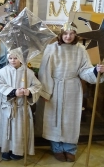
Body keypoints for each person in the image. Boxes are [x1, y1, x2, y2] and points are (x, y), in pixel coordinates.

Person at [37, 22, 104, 162]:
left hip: (73, 87)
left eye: (72, 33)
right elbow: (45, 71)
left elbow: (84, 70)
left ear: (75, 35)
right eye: (65, 33)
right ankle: (57, 148)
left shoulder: (80, 49)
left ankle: (70, 148)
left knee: (70, 119)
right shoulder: (52, 48)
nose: (68, 36)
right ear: (61, 34)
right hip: (55, 86)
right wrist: (46, 92)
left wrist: (95, 71)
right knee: (55, 118)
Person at [0, 49, 42, 161]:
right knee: (6, 129)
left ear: (21, 59)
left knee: (19, 131)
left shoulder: (28, 72)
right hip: (7, 107)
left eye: (16, 58)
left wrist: (28, 91)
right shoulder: (3, 71)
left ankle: (18, 151)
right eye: (10, 58)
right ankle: (6, 150)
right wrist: (13, 92)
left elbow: (37, 86)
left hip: (21, 108)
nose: (13, 60)